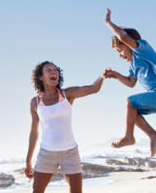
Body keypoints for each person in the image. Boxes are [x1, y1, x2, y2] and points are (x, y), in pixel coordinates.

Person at [103, 8, 156, 157]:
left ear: (129, 44)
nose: (120, 55)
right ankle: (154, 135)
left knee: (130, 101)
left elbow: (124, 37)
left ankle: (129, 137)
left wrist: (108, 22)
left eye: (120, 50)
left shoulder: (142, 49)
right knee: (132, 111)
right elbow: (131, 83)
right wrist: (116, 75)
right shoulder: (133, 64)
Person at [25, 61, 104, 193]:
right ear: (41, 77)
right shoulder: (35, 102)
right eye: (48, 70)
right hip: (46, 153)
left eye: (55, 70)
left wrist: (102, 76)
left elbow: (93, 88)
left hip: (70, 153)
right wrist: (28, 160)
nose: (53, 72)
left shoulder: (67, 94)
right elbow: (34, 132)